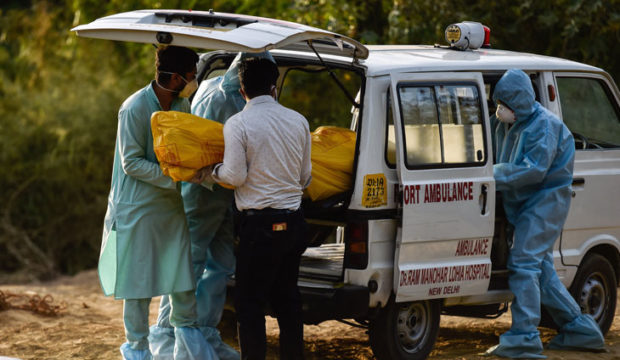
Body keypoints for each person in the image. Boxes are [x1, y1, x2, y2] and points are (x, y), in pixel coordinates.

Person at [149, 52, 274, 360]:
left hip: (223, 195)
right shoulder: (219, 98)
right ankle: (172, 337)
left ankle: (204, 333)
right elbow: (199, 152)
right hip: (203, 192)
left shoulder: (229, 94)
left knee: (219, 266)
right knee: (189, 265)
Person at [99, 45, 216, 360]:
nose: (193, 82)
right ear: (176, 76)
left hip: (169, 206)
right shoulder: (134, 107)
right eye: (191, 76)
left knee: (181, 277)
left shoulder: (181, 105)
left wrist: (207, 170)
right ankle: (137, 349)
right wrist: (177, 176)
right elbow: (131, 163)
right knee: (137, 285)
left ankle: (188, 342)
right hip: (137, 208)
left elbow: (188, 149)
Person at [485, 69, 605, 358]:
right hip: (522, 205)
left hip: (545, 204)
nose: (500, 109)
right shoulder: (505, 122)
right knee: (542, 273)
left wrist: (489, 175)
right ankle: (580, 329)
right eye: (499, 102)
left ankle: (524, 337)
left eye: (505, 103)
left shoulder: (546, 126)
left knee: (524, 263)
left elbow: (533, 170)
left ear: (521, 101)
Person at [196, 57, 312, 360]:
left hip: (259, 228)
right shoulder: (299, 120)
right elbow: (305, 177)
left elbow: (234, 176)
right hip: (293, 224)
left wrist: (209, 172)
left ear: (242, 89)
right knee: (288, 302)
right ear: (274, 88)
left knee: (250, 306)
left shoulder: (238, 123)